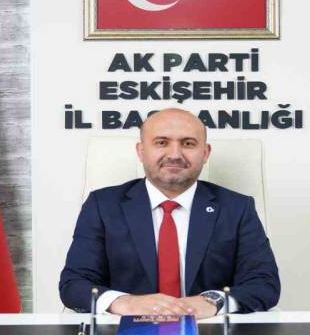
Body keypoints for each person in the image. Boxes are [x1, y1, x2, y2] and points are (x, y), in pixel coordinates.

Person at [59, 108, 280, 318]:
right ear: (141, 151)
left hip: (209, 329)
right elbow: (75, 283)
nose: (175, 154)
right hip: (122, 333)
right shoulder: (102, 205)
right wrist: (125, 302)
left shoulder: (237, 208)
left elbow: (264, 284)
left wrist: (212, 302)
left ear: (205, 153)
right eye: (161, 142)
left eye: (188, 143)